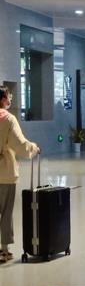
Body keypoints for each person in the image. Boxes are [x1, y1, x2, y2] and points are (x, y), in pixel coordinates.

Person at [0, 86, 39, 262]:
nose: (11, 99)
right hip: (4, 173)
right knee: (5, 211)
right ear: (3, 99)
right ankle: (4, 250)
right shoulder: (8, 119)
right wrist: (34, 148)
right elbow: (19, 143)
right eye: (9, 96)